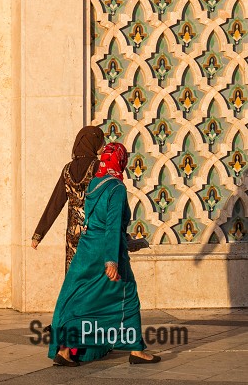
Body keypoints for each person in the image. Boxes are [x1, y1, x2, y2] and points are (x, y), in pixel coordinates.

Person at [48, 143, 160, 368]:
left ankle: (65, 349)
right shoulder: (117, 188)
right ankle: (137, 350)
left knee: (80, 298)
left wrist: (128, 241)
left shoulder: (94, 183)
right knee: (127, 298)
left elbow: (96, 222)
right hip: (107, 249)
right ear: (120, 161)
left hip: (87, 248)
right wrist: (112, 259)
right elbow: (111, 225)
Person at [32, 124, 105, 270]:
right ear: (93, 142)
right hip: (94, 232)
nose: (104, 145)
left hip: (73, 235)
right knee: (95, 279)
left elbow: (55, 203)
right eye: (102, 141)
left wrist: (38, 234)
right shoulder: (98, 167)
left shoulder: (67, 170)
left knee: (75, 276)